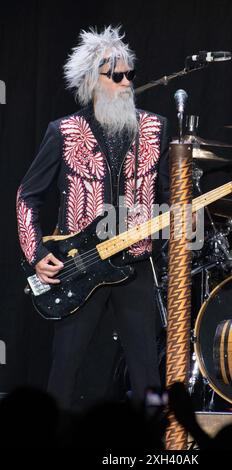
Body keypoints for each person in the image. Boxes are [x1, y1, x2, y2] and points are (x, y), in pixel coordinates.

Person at [16, 26, 170, 409]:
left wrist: (181, 222)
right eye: (115, 75)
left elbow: (169, 196)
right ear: (91, 81)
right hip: (79, 266)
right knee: (65, 368)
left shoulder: (156, 127)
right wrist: (36, 253)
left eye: (129, 74)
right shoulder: (64, 132)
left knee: (147, 372)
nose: (126, 82)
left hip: (135, 262)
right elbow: (27, 195)